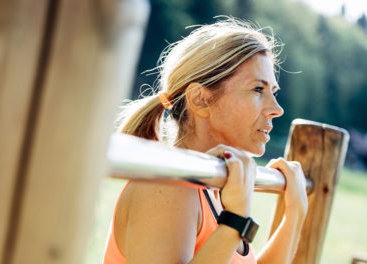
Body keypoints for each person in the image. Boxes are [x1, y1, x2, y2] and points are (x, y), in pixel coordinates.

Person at [103, 17, 308, 264]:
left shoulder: (213, 189)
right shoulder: (169, 186)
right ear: (200, 99)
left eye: (273, 92)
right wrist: (235, 221)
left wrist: (295, 214)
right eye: (257, 90)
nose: (277, 109)